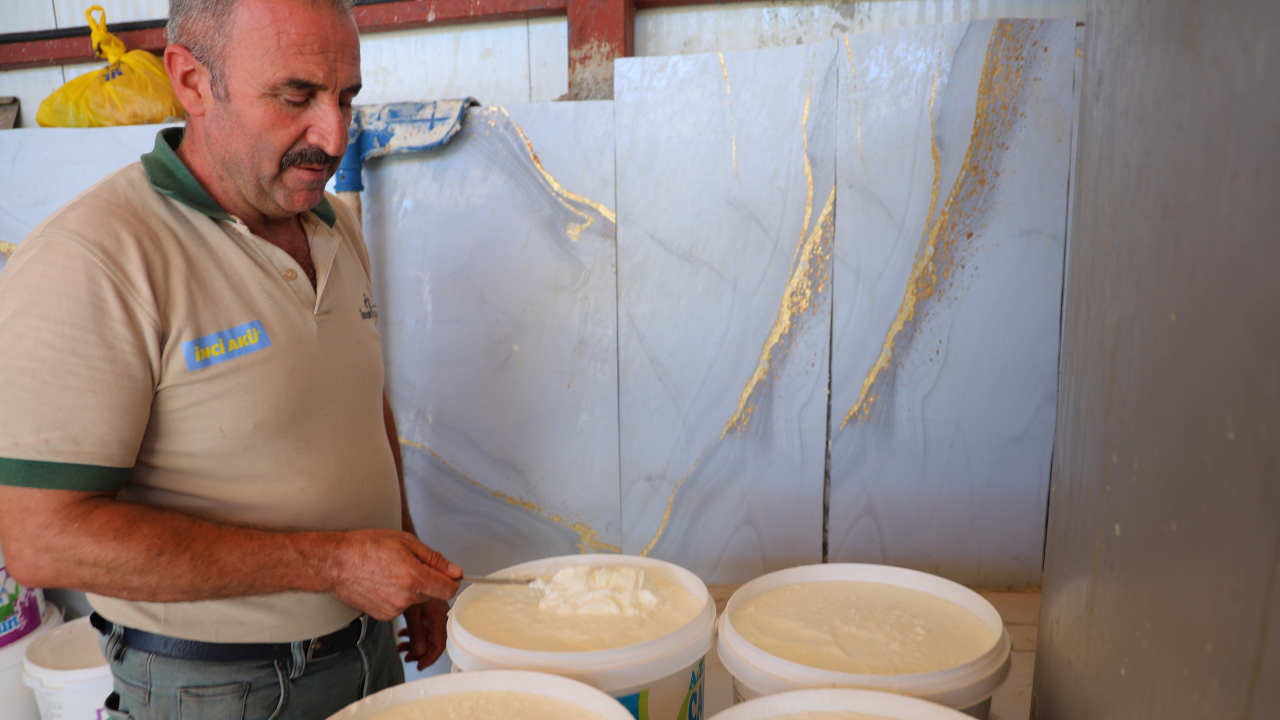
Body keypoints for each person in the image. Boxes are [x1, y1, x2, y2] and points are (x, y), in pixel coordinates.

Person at [0, 0, 462, 717]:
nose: (333, 133)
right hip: (222, 688)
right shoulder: (95, 258)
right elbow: (41, 540)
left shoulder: (335, 226)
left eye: (346, 97)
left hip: (367, 650)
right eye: (296, 96)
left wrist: (403, 548)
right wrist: (338, 563)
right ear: (190, 81)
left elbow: (357, 401)